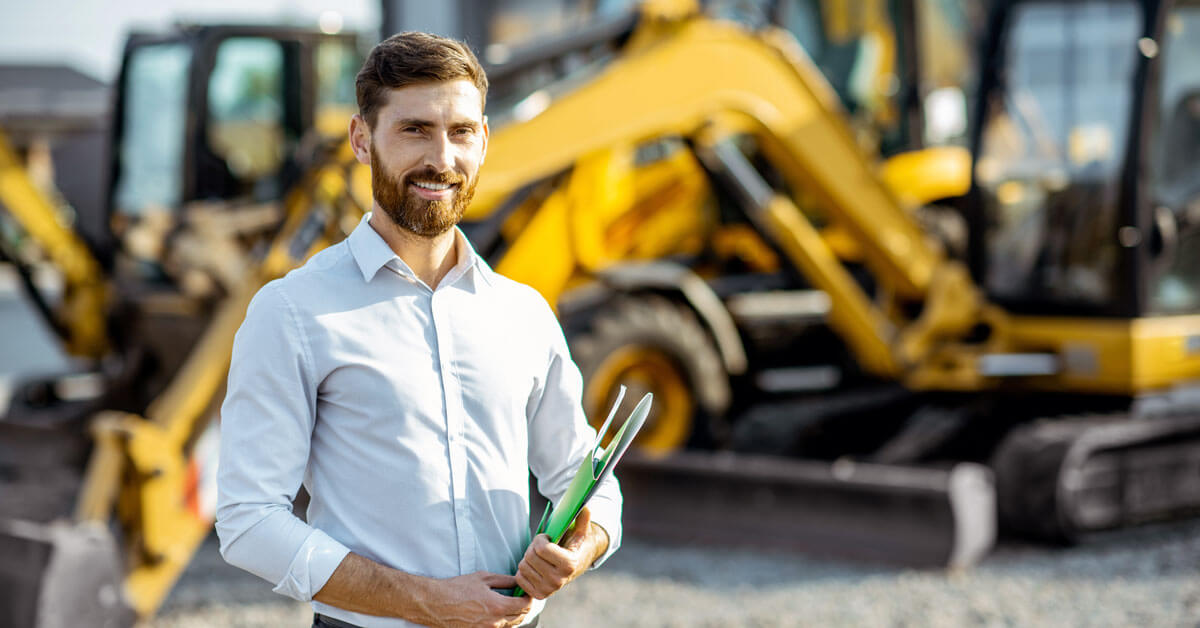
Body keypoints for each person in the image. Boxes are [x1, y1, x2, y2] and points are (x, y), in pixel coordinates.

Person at [215, 31, 622, 628]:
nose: (441, 158)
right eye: (414, 130)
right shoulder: (293, 311)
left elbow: (586, 476)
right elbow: (248, 520)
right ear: (362, 138)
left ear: (483, 141)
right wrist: (430, 600)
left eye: (460, 132)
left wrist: (577, 551)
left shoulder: (524, 313)